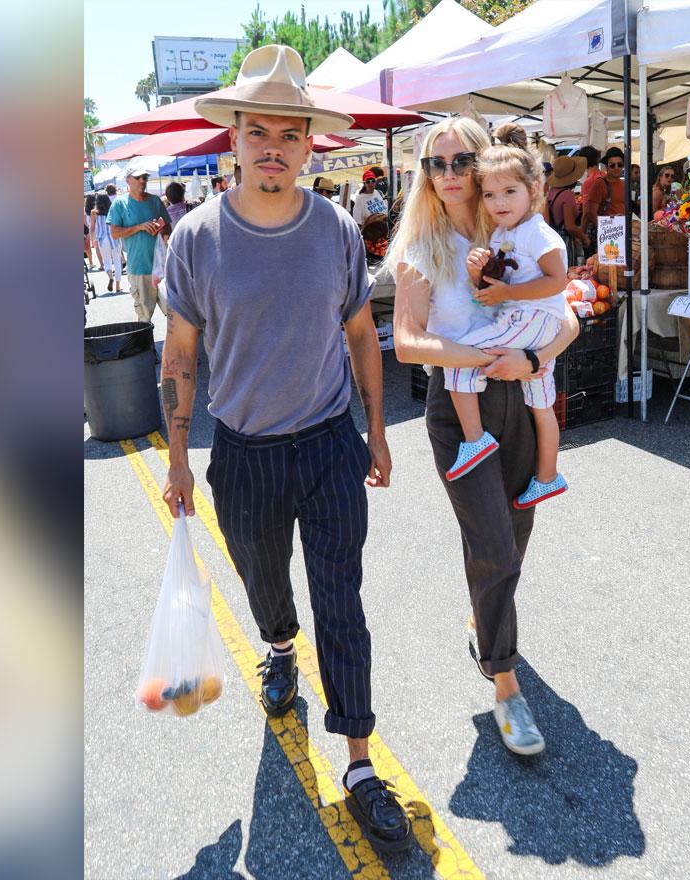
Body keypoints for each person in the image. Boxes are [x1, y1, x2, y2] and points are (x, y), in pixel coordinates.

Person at [159, 44, 408, 853]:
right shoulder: (195, 238)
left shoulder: (337, 229)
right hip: (243, 455)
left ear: (310, 144)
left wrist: (374, 430)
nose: (273, 146)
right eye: (257, 130)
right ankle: (276, 647)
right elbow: (180, 359)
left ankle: (361, 765)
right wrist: (176, 461)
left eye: (288, 134)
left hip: (330, 444)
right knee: (268, 586)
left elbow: (362, 332)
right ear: (234, 137)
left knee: (344, 600)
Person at [388, 116, 580, 757]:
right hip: (460, 407)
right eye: (434, 164)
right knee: (494, 543)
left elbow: (569, 314)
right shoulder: (422, 246)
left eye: (459, 161)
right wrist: (479, 359)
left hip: (522, 396)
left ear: (486, 163)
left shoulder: (516, 229)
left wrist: (533, 359)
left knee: (516, 535)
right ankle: (505, 683)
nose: (448, 175)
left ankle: (484, 617)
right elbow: (410, 345)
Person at [452, 145, 570, 507]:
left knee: (458, 355)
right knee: (541, 405)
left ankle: (475, 440)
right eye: (489, 194)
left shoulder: (537, 233)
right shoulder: (501, 234)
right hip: (529, 322)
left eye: (509, 192)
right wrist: (477, 271)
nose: (498, 202)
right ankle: (548, 477)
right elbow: (489, 287)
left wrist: (510, 292)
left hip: (533, 318)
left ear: (533, 189)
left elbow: (558, 281)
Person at [107, 160, 171, 322]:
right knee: (144, 317)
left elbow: (168, 229)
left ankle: (177, 348)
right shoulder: (120, 204)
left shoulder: (155, 201)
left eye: (144, 177)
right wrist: (140, 227)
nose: (142, 180)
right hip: (139, 268)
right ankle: (146, 347)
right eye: (138, 177)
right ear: (128, 180)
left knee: (174, 314)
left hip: (162, 267)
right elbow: (114, 233)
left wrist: (161, 228)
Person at [543, 154, 590, 261]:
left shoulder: (551, 191)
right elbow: (569, 226)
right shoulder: (567, 194)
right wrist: (583, 237)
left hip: (553, 238)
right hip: (564, 240)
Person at [582, 146, 627, 253]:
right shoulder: (599, 184)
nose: (616, 168)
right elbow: (590, 213)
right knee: (606, 268)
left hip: (621, 233)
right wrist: (607, 230)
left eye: (619, 165)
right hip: (606, 235)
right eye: (612, 165)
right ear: (606, 166)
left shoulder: (624, 184)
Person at [92, 193, 122, 293]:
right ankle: (118, 286)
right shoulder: (113, 210)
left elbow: (92, 228)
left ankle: (110, 277)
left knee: (107, 261)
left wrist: (93, 240)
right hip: (114, 238)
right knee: (117, 261)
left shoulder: (94, 213)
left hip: (102, 239)